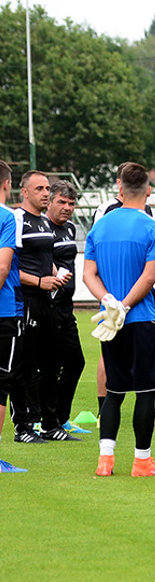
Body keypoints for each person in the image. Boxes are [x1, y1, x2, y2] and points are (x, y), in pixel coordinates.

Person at [82, 162, 155, 477]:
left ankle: (105, 460)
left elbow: (89, 275)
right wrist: (124, 305)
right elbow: (149, 278)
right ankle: (142, 461)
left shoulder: (99, 227)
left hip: (111, 322)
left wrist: (109, 302)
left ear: (119, 189)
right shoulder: (152, 228)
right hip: (143, 319)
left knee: (114, 390)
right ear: (148, 191)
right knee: (146, 391)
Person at [12, 170, 75, 442]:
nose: (45, 193)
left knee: (52, 362)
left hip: (46, 301)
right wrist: (39, 281)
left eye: (47, 188)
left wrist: (56, 275)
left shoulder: (46, 223)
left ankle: (50, 424)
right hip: (25, 301)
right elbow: (10, 267)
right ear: (24, 192)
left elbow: (44, 259)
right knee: (25, 365)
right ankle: (23, 427)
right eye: (39, 188)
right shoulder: (17, 219)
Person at [46, 181, 88, 437]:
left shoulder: (70, 228)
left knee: (75, 362)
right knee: (47, 366)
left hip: (66, 307)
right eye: (61, 202)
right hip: (46, 306)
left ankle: (61, 418)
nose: (67, 208)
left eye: (71, 203)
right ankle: (41, 420)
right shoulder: (41, 228)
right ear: (49, 202)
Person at [0, 160, 26, 472]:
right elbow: (3, 267)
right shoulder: (8, 217)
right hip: (4, 311)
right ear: (7, 183)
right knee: (1, 383)